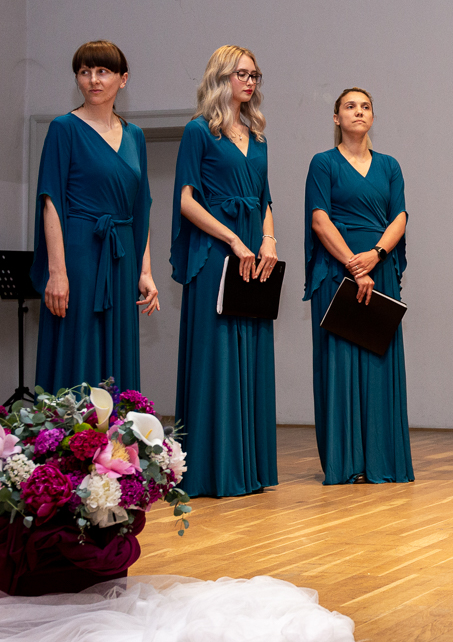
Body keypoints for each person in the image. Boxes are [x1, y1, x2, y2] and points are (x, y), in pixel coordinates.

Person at [171, 45, 278, 498]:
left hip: (255, 251)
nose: (250, 82)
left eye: (254, 75)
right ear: (221, 77)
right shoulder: (198, 131)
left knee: (251, 350)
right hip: (216, 252)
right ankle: (213, 471)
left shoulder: (258, 136)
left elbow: (264, 198)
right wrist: (233, 240)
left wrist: (268, 239)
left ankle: (249, 468)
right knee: (216, 354)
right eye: (241, 74)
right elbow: (185, 200)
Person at [31, 41, 159, 395]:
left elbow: (141, 207)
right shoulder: (64, 128)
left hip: (122, 257)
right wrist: (57, 272)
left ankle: (116, 428)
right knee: (79, 343)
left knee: (118, 353)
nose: (93, 80)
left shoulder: (135, 136)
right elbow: (50, 201)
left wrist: (145, 272)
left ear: (123, 79)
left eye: (102, 71)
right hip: (79, 253)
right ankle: (71, 427)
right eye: (84, 72)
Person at [304, 88, 412, 485]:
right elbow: (319, 219)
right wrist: (354, 263)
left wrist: (376, 255)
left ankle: (383, 461)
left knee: (380, 364)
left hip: (379, 269)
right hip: (338, 273)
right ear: (336, 118)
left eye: (365, 107)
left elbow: (399, 217)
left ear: (373, 117)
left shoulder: (389, 165)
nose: (358, 112)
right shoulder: (323, 163)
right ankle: (345, 463)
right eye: (350, 106)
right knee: (341, 364)